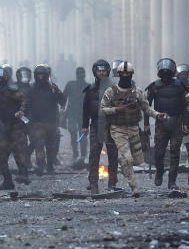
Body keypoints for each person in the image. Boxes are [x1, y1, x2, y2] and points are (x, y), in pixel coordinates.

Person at [99, 61, 167, 197]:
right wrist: (116, 109)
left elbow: (146, 107)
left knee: (137, 160)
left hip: (134, 129)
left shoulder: (137, 92)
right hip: (118, 129)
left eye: (127, 73)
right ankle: (133, 185)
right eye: (122, 73)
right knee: (128, 158)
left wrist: (157, 115)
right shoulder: (111, 92)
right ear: (118, 74)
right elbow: (102, 110)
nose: (125, 75)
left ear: (131, 75)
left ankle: (123, 165)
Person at [0, 66, 31, 190]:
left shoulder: (13, 91)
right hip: (3, 128)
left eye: (0, 78)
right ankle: (8, 182)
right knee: (2, 156)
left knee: (19, 152)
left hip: (16, 127)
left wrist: (21, 111)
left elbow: (24, 101)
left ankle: (24, 173)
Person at [145, 57, 189, 189]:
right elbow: (146, 106)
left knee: (175, 153)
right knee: (159, 153)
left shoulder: (180, 87)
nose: (166, 73)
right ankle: (159, 172)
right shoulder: (154, 87)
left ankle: (172, 181)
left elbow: (185, 106)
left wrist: (185, 123)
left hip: (176, 123)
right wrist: (146, 124)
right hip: (161, 124)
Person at [81, 59, 118, 193]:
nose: (101, 73)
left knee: (113, 155)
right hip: (96, 125)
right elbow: (85, 109)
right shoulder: (90, 89)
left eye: (104, 71)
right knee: (94, 155)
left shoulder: (114, 89)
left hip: (111, 126)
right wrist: (84, 126)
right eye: (99, 71)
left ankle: (112, 184)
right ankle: (93, 184)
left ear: (107, 72)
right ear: (95, 72)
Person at [27, 64, 65, 174]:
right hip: (37, 123)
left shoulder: (53, 87)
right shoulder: (32, 89)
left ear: (46, 75)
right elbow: (27, 105)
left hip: (52, 122)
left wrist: (56, 93)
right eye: (38, 75)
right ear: (35, 76)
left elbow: (62, 101)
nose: (40, 77)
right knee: (39, 145)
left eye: (42, 75)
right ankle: (41, 165)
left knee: (52, 146)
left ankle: (50, 165)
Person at [63, 67, 88, 162]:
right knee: (73, 133)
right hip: (72, 113)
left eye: (82, 73)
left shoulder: (88, 86)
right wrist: (62, 109)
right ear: (77, 74)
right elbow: (64, 97)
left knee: (82, 135)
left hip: (82, 114)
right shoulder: (70, 85)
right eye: (79, 73)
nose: (81, 75)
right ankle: (75, 153)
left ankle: (83, 155)